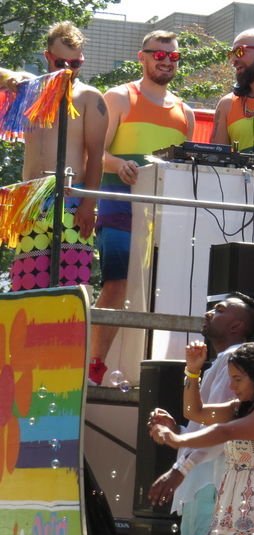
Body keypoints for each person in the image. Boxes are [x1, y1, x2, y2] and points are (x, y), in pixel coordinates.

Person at [89, 30, 194, 386]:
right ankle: (94, 366)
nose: (166, 61)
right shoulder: (119, 97)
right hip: (119, 204)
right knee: (117, 284)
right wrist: (118, 165)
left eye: (173, 56)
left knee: (162, 289)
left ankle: (157, 374)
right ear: (142, 57)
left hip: (166, 216)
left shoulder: (185, 112)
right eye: (158, 54)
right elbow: (94, 154)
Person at [149, 341, 254, 535]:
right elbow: (194, 411)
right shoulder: (239, 407)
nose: (232, 386)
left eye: (238, 379)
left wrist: (176, 439)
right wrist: (193, 371)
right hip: (229, 503)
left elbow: (224, 431)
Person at [145, 293, 254, 535]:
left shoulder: (234, 359)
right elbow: (204, 420)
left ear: (236, 326)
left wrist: (179, 469)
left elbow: (223, 428)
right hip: (202, 481)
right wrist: (180, 430)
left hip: (210, 482)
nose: (210, 312)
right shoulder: (220, 363)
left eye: (219, 309)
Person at [0, 22, 106, 292]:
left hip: (72, 200)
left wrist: (89, 204)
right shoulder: (30, 88)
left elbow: (96, 157)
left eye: (76, 63)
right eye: (62, 62)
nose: (69, 69)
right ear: (47, 57)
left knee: (68, 291)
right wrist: (10, 77)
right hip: (31, 201)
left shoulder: (89, 97)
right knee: (27, 289)